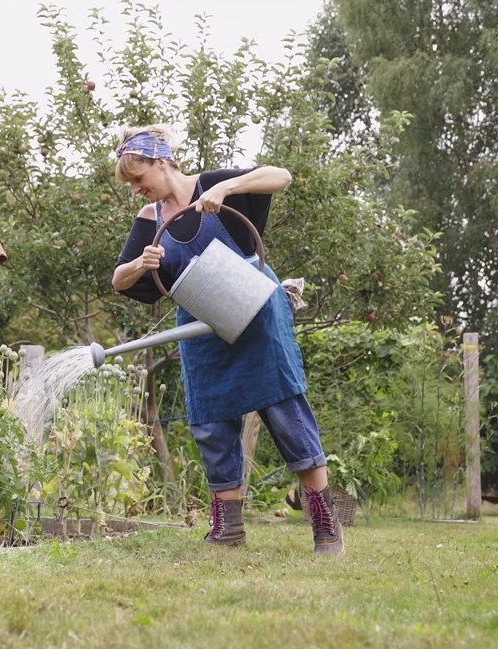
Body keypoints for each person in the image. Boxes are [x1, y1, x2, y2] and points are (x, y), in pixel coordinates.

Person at [110, 124, 344, 555]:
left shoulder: (214, 185)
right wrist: (143, 264)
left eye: (139, 179)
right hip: (202, 329)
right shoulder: (149, 221)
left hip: (257, 313)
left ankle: (325, 524)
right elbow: (118, 280)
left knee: (285, 410)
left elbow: (282, 175)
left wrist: (230, 188)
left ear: (162, 162)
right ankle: (228, 528)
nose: (137, 189)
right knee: (212, 422)